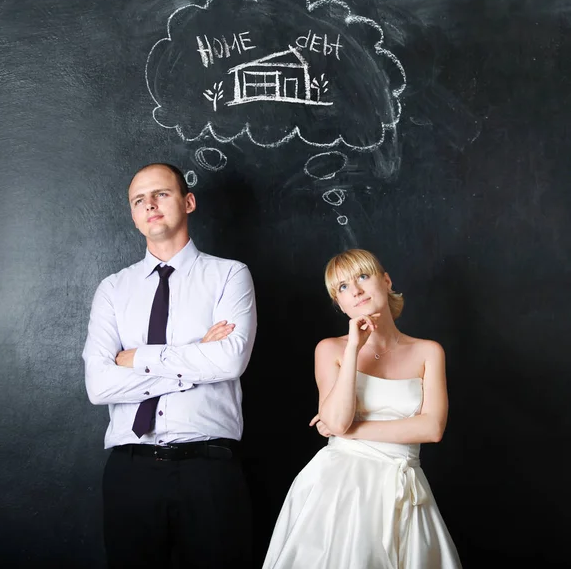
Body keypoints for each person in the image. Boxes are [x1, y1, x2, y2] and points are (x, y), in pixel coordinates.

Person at [82, 162, 257, 569]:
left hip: (210, 471)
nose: (150, 205)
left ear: (188, 201)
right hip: (131, 471)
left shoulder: (229, 275)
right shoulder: (112, 289)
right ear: (133, 215)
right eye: (139, 200)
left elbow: (230, 360)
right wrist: (197, 356)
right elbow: (100, 386)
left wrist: (139, 359)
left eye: (161, 194)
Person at [262, 248, 462, 569]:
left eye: (363, 277)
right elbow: (337, 420)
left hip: (404, 486)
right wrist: (355, 346)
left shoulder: (428, 352)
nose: (354, 290)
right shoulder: (331, 349)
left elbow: (432, 428)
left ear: (385, 281)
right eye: (342, 287)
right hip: (340, 488)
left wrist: (353, 430)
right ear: (338, 303)